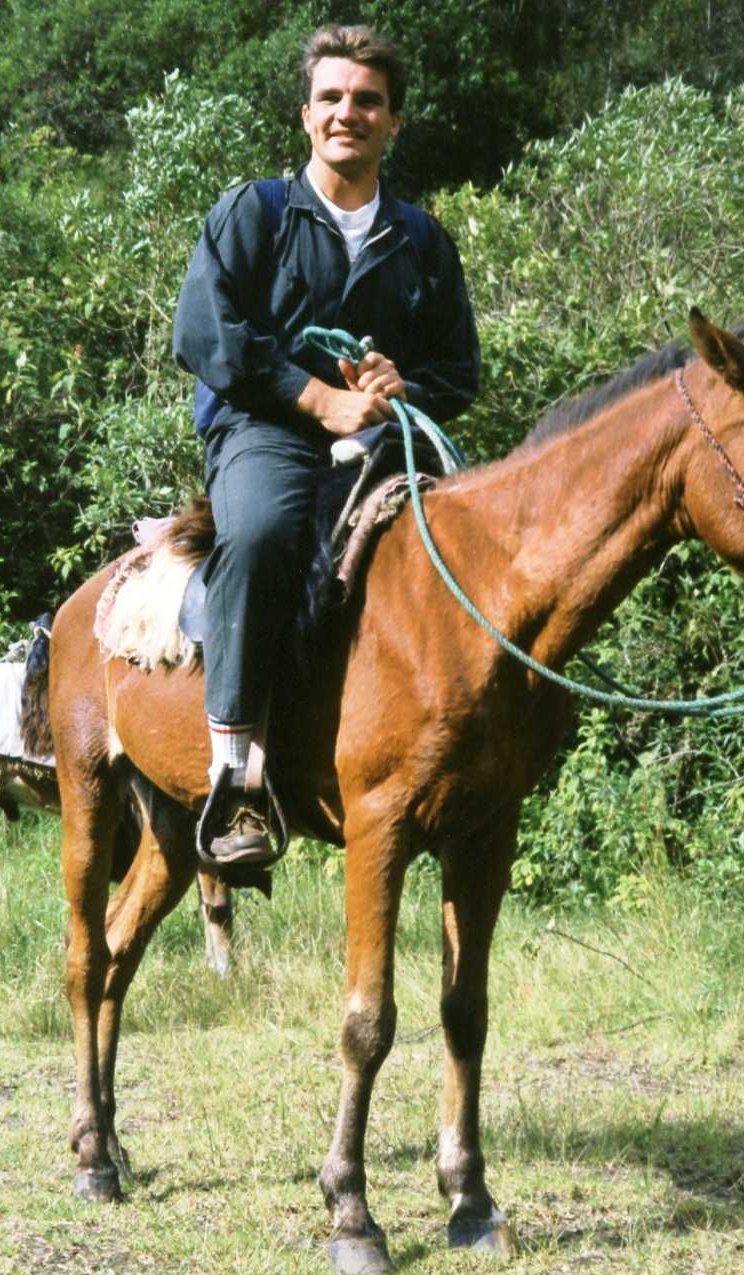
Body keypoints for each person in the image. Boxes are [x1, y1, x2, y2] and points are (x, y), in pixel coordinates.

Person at [172, 24, 481, 867]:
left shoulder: (423, 240)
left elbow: (459, 370)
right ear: (306, 116)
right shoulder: (255, 211)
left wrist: (400, 388)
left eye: (367, 100)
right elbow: (204, 331)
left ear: (394, 122)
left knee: (464, 543)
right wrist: (316, 399)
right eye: (332, 98)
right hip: (262, 430)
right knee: (261, 536)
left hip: (384, 440)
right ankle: (237, 782)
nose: (349, 112)